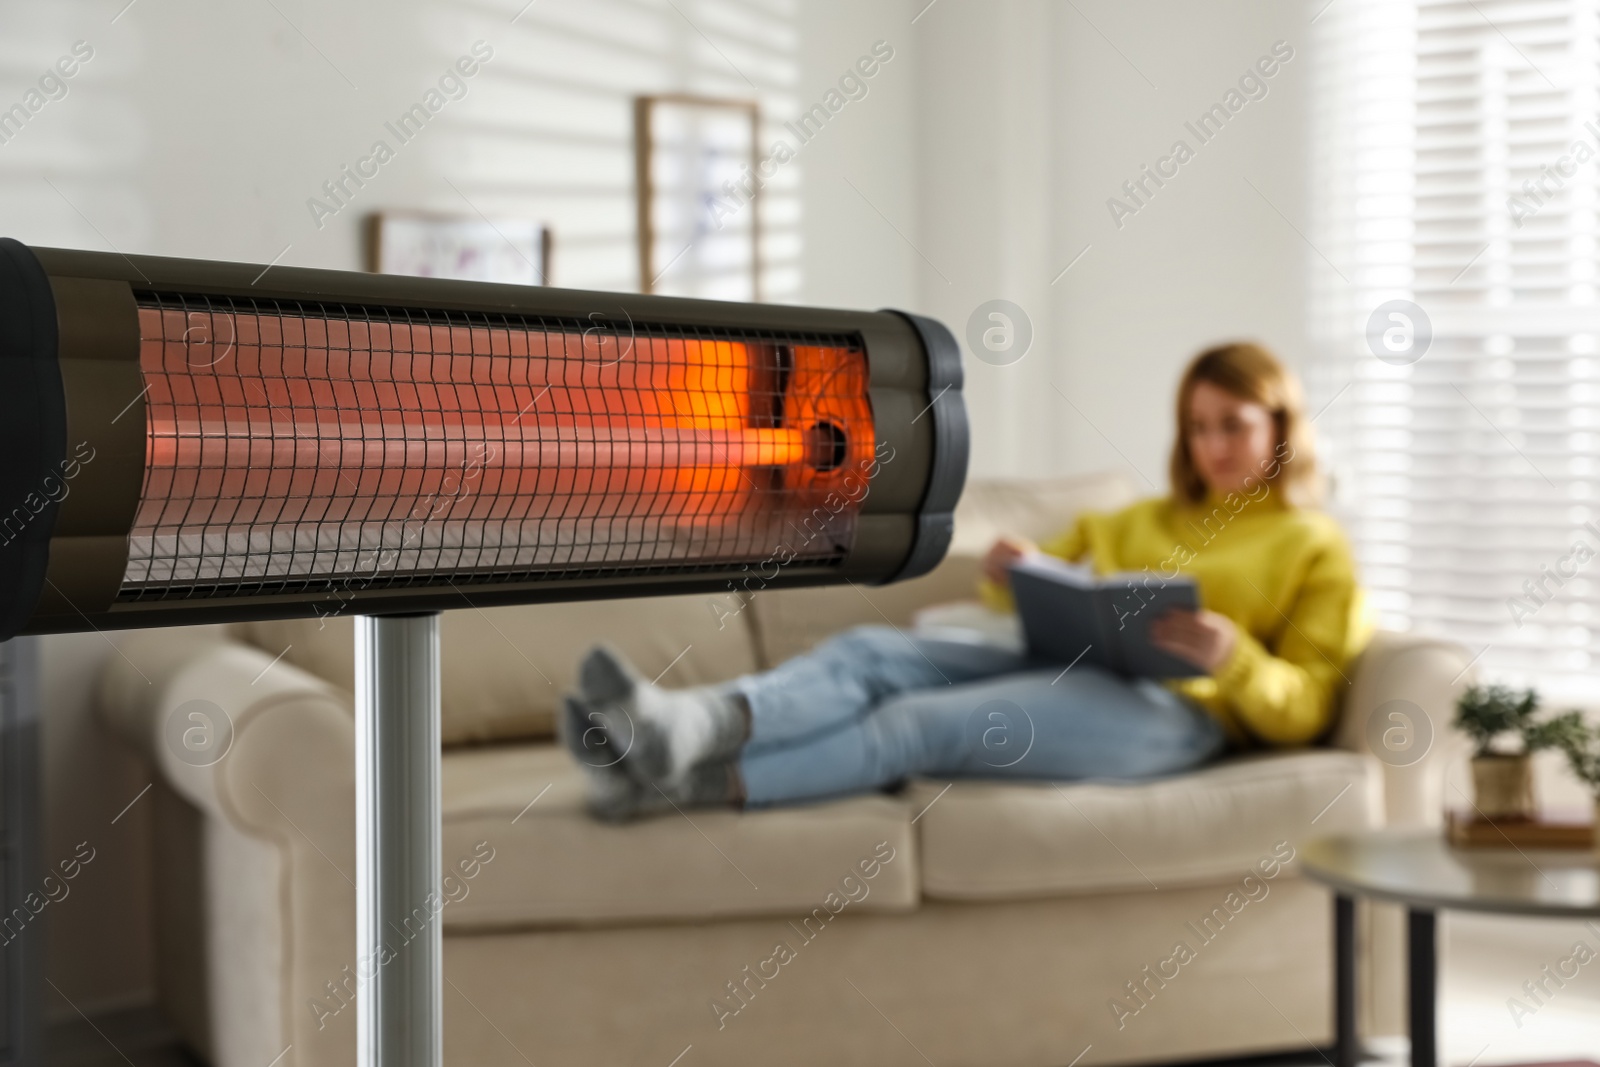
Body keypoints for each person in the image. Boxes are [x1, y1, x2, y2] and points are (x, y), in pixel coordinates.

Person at [560, 341, 1373, 821]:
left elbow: (1308, 703)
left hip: (1178, 715)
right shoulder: (1140, 517)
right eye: (1199, 426)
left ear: (1280, 425)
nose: (1213, 444)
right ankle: (691, 722)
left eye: (1233, 424)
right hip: (1068, 662)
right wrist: (1012, 571)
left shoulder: (1315, 546)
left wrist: (1231, 657)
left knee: (916, 722)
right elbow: (1034, 583)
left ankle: (683, 787)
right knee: (872, 651)